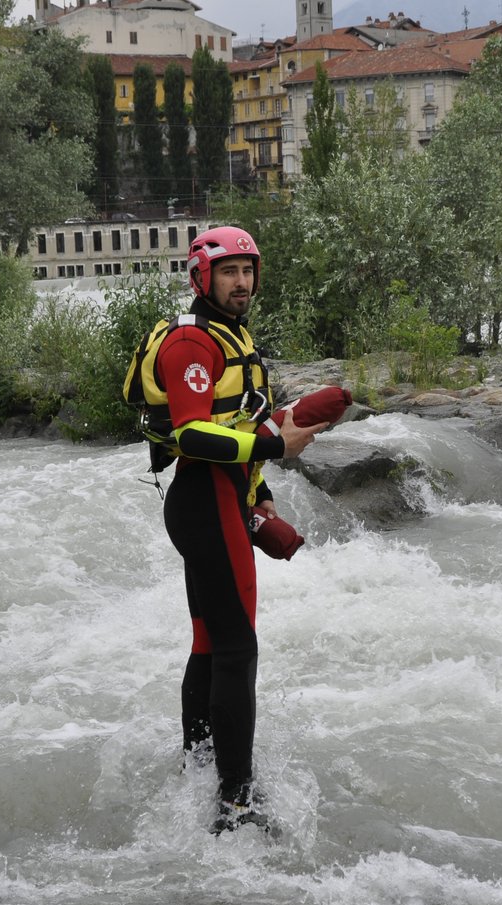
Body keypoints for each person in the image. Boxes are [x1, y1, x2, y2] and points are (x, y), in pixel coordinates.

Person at [152, 225, 326, 833]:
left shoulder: (237, 338)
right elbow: (191, 434)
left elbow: (241, 427)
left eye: (249, 270)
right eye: (229, 272)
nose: (243, 282)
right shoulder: (190, 345)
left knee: (208, 642)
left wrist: (264, 495)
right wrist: (276, 444)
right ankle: (235, 801)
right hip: (201, 503)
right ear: (202, 276)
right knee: (237, 648)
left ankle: (197, 770)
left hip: (227, 498)